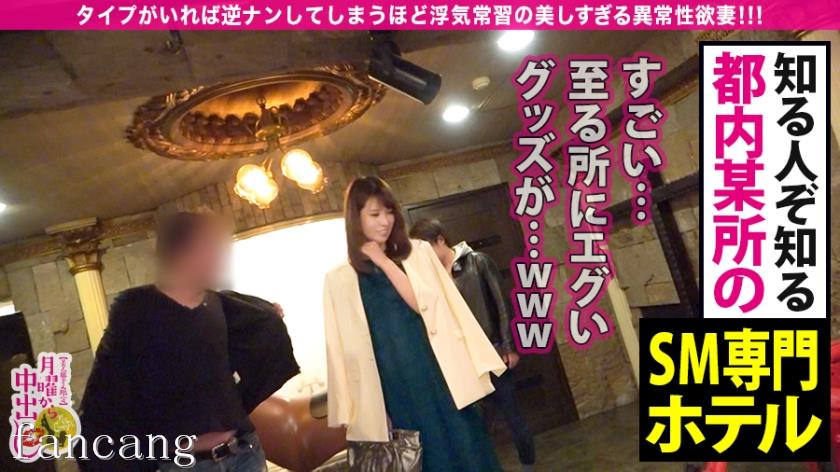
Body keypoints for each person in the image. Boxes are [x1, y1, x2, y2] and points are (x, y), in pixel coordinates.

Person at [78, 211, 299, 471]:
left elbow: (256, 329)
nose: (219, 258)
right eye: (210, 247)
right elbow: (106, 395)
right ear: (181, 252)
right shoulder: (136, 308)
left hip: (243, 453)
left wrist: (268, 314)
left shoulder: (216, 303)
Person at [322, 176, 506, 472]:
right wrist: (360, 411)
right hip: (392, 387)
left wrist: (383, 261)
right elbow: (340, 349)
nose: (385, 221)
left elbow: (424, 304)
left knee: (467, 449)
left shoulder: (417, 253)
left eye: (389, 212)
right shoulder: (339, 279)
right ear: (356, 218)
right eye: (374, 214)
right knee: (424, 460)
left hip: (439, 372)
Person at [410, 218, 537, 472]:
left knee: (513, 417)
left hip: (493, 352)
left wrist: (508, 345)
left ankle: (528, 466)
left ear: (440, 240)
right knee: (478, 425)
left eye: (426, 248)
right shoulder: (431, 279)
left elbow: (501, 304)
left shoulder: (477, 262)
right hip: (463, 362)